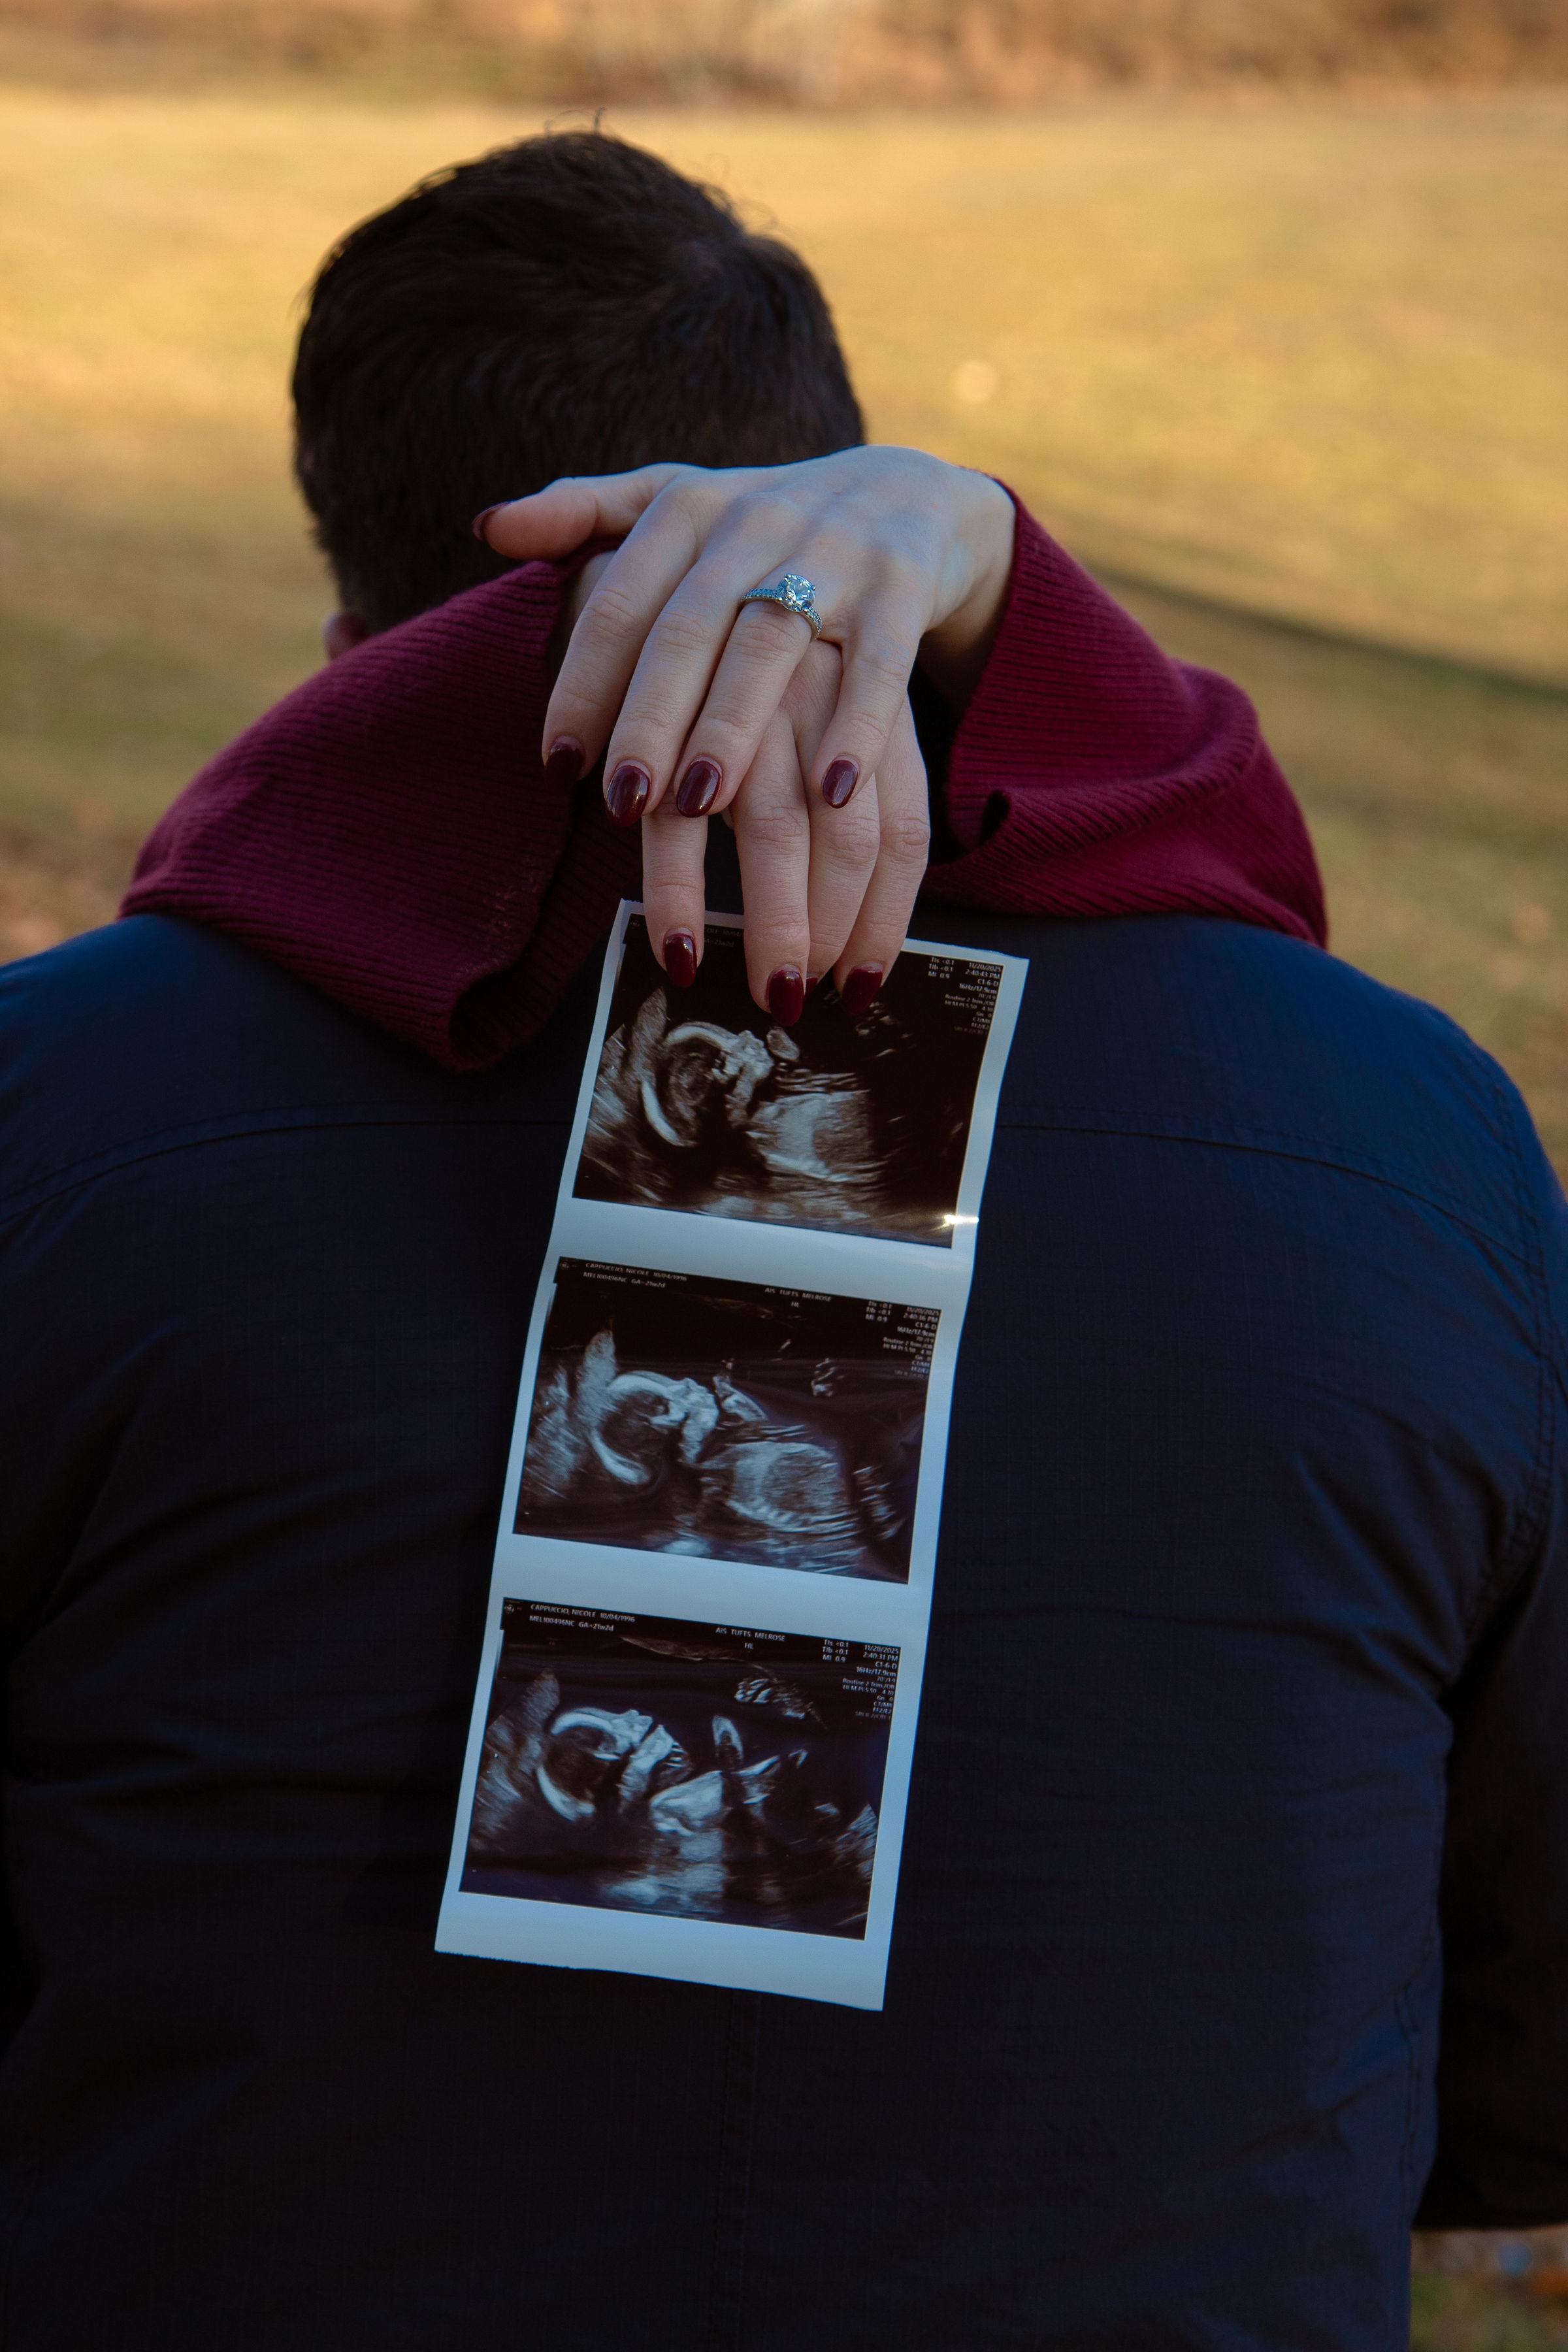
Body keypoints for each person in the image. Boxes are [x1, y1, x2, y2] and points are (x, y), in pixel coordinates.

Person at [1, 129, 1563, 2352]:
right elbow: (1526, 2038)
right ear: (845, 512)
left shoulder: (64, 1108)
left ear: (352, 630)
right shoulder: (1407, 1133)